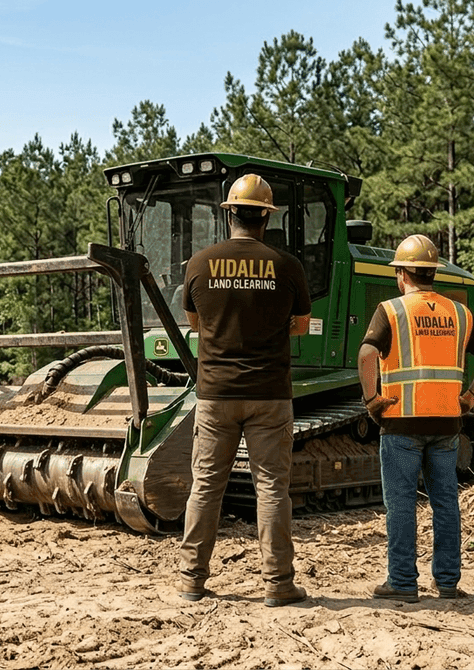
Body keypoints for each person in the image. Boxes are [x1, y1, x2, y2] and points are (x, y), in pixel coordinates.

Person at [178, 174, 312, 608]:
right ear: (267, 218)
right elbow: (301, 327)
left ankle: (191, 580)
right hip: (271, 393)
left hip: (215, 393)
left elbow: (196, 324)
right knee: (272, 488)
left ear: (229, 213)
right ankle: (278, 585)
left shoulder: (199, 263)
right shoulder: (288, 266)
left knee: (206, 486)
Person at [357, 234, 474, 602]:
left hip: (401, 423)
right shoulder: (459, 312)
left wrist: (372, 398)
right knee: (445, 502)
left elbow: (366, 356)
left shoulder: (390, 310)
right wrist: (470, 398)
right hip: (446, 423)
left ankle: (403, 583)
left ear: (403, 274)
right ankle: (448, 582)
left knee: (402, 503)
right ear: (432, 273)